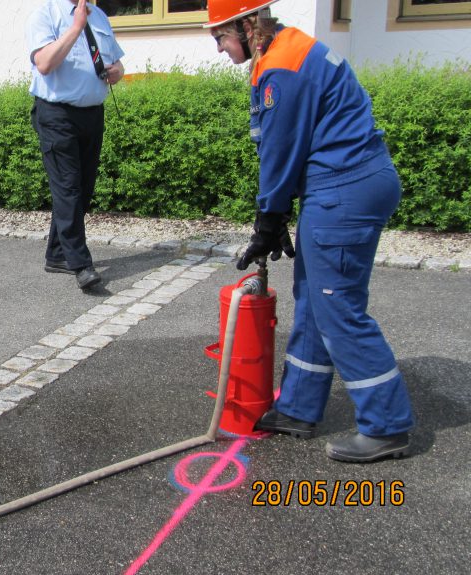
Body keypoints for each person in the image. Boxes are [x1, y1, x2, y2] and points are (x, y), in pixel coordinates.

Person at [205, 0, 414, 462]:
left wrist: (269, 218)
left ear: (245, 24)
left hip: (344, 189)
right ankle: (299, 407)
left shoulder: (282, 69)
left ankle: (387, 426)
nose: (219, 48)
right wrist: (275, 215)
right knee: (316, 297)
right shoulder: (287, 49)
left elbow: (280, 152)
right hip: (346, 184)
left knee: (338, 305)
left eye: (220, 36)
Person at [26, 0, 125, 290]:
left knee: (82, 189)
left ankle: (57, 254)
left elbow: (117, 63)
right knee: (68, 188)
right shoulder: (45, 14)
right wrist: (76, 26)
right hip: (57, 115)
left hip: (92, 114)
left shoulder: (101, 17)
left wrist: (116, 72)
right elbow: (43, 63)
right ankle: (81, 264)